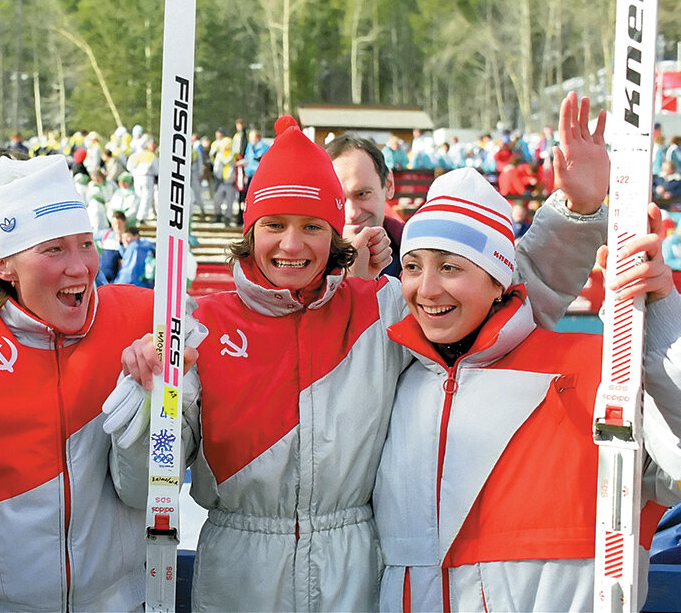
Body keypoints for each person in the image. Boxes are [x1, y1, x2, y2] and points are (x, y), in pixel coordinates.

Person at [104, 94, 610, 611]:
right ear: (250, 231)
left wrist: (576, 213)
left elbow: (495, 290)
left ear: (333, 234)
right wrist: (150, 403)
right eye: (275, 225)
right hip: (238, 573)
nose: (292, 246)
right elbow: (142, 488)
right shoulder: (197, 328)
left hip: (356, 571)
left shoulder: (380, 310)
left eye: (312, 227)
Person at [372, 170, 681, 612]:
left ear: (499, 279)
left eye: (450, 267)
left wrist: (663, 311)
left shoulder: (587, 367)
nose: (427, 288)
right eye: (413, 266)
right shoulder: (396, 377)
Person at [0, 153, 153, 611]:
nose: (80, 267)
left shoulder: (135, 317)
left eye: (86, 244)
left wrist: (173, 383)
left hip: (112, 599)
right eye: (54, 249)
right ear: (6, 264)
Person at [326, 132, 403, 277]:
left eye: (362, 194)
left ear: (388, 185)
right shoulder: (300, 266)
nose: (352, 213)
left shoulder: (420, 258)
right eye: (337, 200)